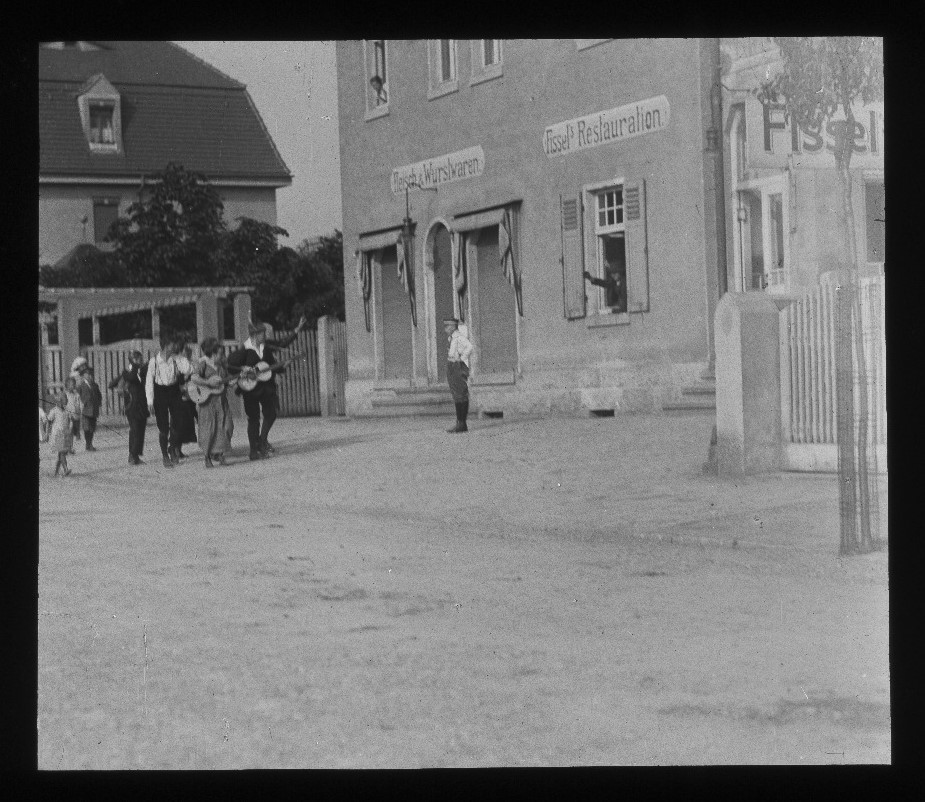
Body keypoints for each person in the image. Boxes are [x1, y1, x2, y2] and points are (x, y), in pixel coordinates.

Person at [228, 315, 306, 460]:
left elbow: (280, 347)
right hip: (250, 389)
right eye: (263, 333)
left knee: (271, 413)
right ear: (254, 335)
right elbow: (230, 364)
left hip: (266, 387)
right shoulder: (244, 349)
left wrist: (297, 330)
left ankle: (261, 440)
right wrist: (243, 368)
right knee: (254, 419)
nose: (265, 335)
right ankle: (253, 450)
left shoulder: (266, 347)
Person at [145, 337, 191, 468]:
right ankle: (165, 455)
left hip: (174, 391)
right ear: (165, 346)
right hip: (160, 393)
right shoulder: (154, 362)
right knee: (163, 427)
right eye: (172, 345)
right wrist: (150, 401)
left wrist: (183, 357)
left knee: (178, 423)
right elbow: (149, 382)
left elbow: (188, 370)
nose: (174, 348)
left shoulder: (177, 360)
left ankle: (173, 447)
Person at [190, 337, 234, 468]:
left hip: (221, 400)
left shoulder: (221, 366)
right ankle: (207, 456)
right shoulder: (203, 364)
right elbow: (194, 377)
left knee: (227, 426)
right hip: (207, 402)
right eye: (220, 353)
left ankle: (218, 452)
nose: (222, 355)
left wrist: (238, 379)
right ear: (212, 353)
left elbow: (227, 381)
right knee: (210, 429)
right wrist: (208, 382)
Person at [109, 350, 149, 465]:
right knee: (135, 430)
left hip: (142, 404)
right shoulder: (127, 372)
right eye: (138, 359)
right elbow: (112, 384)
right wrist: (135, 367)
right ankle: (132, 455)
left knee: (140, 431)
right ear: (133, 360)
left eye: (140, 359)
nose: (141, 361)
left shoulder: (141, 371)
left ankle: (135, 455)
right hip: (132, 405)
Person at [443, 317, 473, 433]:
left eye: (447, 326)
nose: (446, 329)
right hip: (451, 364)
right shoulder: (451, 338)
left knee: (460, 393)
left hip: (457, 366)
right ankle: (459, 421)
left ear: (453, 327)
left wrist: (461, 358)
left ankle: (462, 423)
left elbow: (470, 347)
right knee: (456, 393)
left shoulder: (459, 337)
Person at [175, 340, 198, 458]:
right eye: (186, 352)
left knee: (193, 420)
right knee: (180, 423)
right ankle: (176, 449)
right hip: (181, 395)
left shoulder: (190, 363)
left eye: (189, 352)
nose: (188, 354)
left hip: (192, 394)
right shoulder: (177, 363)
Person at [46, 391, 78, 476]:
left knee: (61, 454)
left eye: (67, 398)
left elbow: (71, 420)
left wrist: (71, 428)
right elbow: (48, 421)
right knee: (62, 453)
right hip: (58, 435)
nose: (67, 399)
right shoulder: (54, 411)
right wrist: (47, 433)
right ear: (59, 400)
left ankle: (56, 472)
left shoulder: (67, 411)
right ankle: (66, 469)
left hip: (66, 435)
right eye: (65, 398)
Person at [78, 365, 103, 452]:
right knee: (86, 428)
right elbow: (78, 397)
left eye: (91, 374)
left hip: (94, 410)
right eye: (87, 374)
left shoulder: (95, 385)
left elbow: (99, 395)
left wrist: (99, 403)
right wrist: (80, 404)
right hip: (85, 410)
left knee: (92, 428)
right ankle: (87, 443)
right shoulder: (81, 386)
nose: (90, 376)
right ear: (83, 376)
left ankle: (90, 443)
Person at [63, 376, 83, 455]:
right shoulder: (64, 394)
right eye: (71, 384)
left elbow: (79, 403)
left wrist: (79, 408)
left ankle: (70, 448)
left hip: (74, 415)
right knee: (66, 432)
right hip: (66, 416)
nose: (73, 386)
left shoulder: (76, 394)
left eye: (74, 384)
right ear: (67, 385)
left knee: (71, 433)